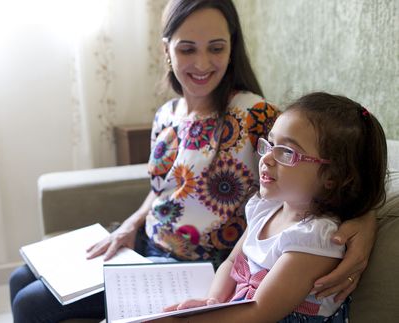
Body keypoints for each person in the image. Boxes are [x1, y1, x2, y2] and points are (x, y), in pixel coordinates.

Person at [9, 1, 377, 322]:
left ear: (232, 49)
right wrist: (129, 227)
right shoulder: (166, 115)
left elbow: (327, 168)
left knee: (31, 304)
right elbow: (162, 191)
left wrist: (365, 219)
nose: (202, 63)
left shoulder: (253, 113)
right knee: (19, 278)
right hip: (147, 247)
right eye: (187, 49)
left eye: (216, 48)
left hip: (195, 266)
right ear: (166, 50)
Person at [161, 92, 387, 322]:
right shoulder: (266, 208)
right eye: (270, 144)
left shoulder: (315, 238)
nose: (267, 158)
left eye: (287, 152)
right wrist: (213, 302)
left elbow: (260, 312)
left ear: (333, 176)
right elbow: (231, 263)